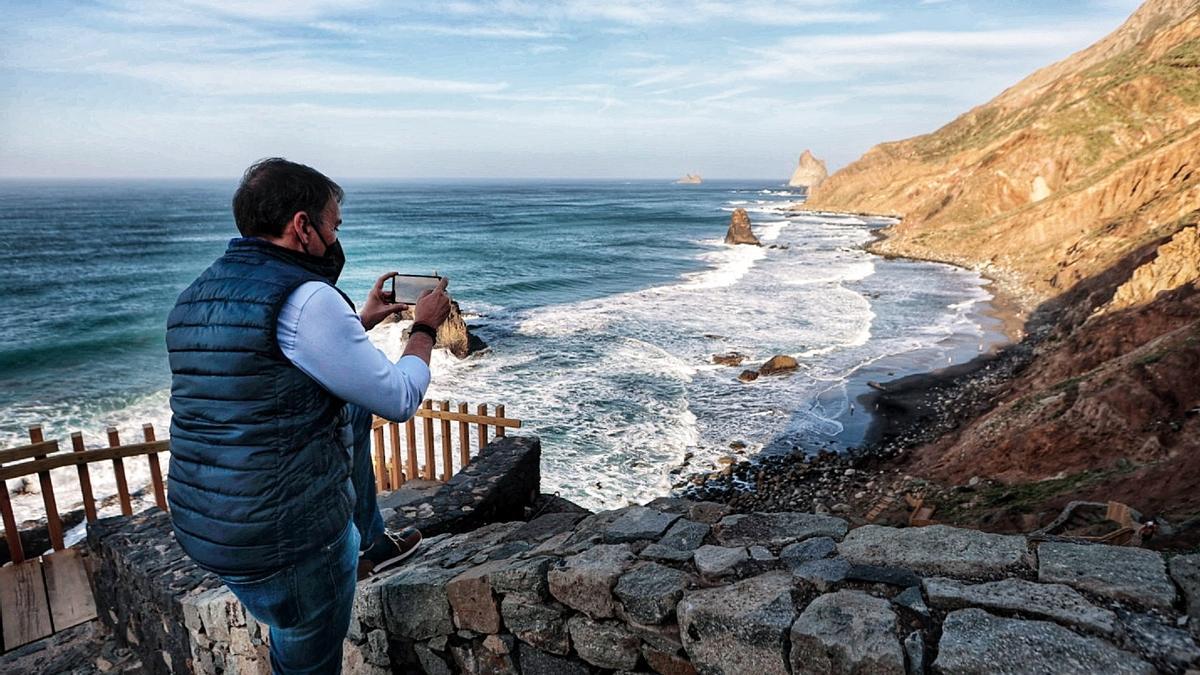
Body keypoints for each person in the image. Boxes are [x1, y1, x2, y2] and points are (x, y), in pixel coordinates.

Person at [165, 158, 451, 673]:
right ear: (303, 226)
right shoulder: (309, 298)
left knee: (354, 409)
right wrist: (424, 329)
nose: (336, 235)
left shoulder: (198, 294)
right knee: (305, 658)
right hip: (286, 538)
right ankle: (358, 547)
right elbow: (400, 399)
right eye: (333, 224)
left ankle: (371, 542)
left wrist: (360, 321)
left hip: (205, 521)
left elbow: (264, 372)